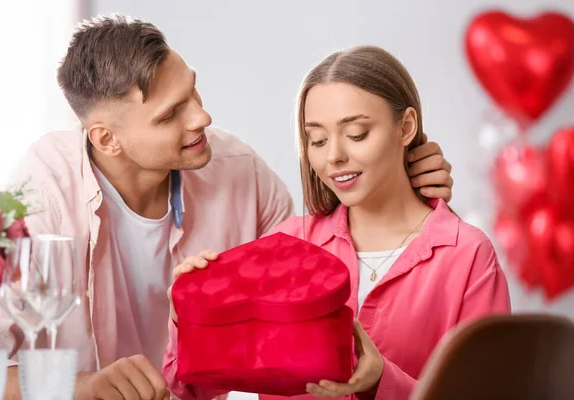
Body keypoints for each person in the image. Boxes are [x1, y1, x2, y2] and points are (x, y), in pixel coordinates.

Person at [0, 15, 454, 400]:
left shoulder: (240, 171)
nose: (201, 118)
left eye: (192, 91)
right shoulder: (37, 198)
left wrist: (399, 177)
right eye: (170, 114)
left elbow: (316, 256)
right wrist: (82, 388)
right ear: (106, 139)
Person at [166, 45, 511, 400]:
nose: (334, 156)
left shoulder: (467, 256)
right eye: (317, 139)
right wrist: (190, 320)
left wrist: (383, 381)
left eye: (357, 134)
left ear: (405, 127)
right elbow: (193, 389)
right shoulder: (288, 243)